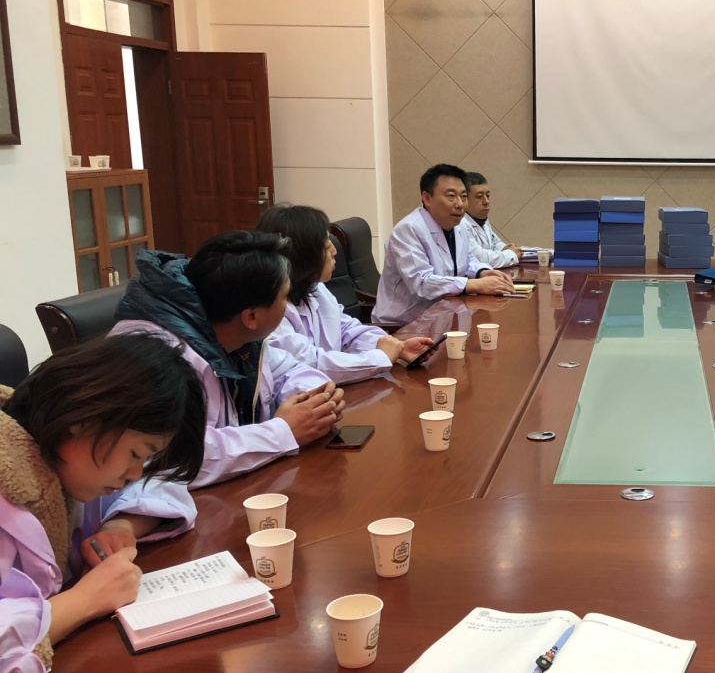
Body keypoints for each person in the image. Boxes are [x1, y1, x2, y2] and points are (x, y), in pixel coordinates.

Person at [0, 334, 225, 673]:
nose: (132, 474)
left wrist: (123, 523)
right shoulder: (9, 479)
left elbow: (163, 484)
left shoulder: (51, 456)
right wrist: (83, 601)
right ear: (85, 418)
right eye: (136, 453)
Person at [113, 231, 343, 489]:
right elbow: (169, 459)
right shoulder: (156, 356)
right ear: (251, 316)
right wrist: (282, 433)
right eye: (284, 297)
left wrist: (312, 401)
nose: (287, 305)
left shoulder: (234, 332)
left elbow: (288, 369)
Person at [256, 204, 434, 382]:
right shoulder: (270, 309)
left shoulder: (315, 288)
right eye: (326, 246)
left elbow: (347, 330)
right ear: (303, 256)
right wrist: (378, 358)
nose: (334, 251)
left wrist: (394, 346)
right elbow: (310, 362)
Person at [374, 163, 517, 325]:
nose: (460, 204)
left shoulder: (458, 226)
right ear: (427, 198)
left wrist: (482, 272)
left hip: (444, 314)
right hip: (404, 324)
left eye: (463, 197)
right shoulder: (408, 230)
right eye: (451, 196)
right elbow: (422, 283)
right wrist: (473, 284)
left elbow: (468, 260)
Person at [460, 171, 521, 269]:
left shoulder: (482, 219)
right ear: (464, 199)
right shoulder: (460, 224)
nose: (486, 201)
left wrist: (505, 248)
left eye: (487, 196)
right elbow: (480, 258)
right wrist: (511, 254)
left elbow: (494, 242)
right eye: (479, 197)